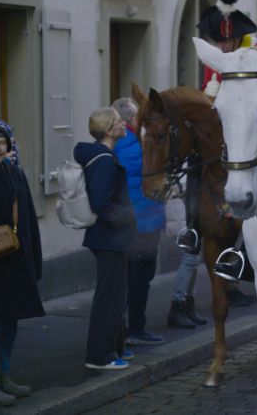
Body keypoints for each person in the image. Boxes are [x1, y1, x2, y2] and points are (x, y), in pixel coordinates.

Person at [194, 0, 256, 307]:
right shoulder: (212, 63)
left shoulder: (251, 57)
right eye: (220, 41)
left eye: (228, 41)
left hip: (245, 138)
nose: (224, 45)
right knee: (194, 167)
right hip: (218, 136)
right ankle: (192, 231)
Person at [76, 108, 136, 370]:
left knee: (115, 295)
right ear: (110, 130)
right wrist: (126, 215)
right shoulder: (103, 159)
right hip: (108, 237)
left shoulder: (102, 155)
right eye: (119, 122)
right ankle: (100, 356)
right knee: (109, 297)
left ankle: (115, 348)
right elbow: (100, 203)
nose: (124, 124)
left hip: (109, 237)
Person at [0, 125, 43, 405]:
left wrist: (33, 259)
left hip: (13, 257)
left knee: (10, 321)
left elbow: (26, 218)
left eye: (2, 142)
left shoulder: (12, 172)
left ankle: (4, 375)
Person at [111, 98, 166, 345]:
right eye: (135, 117)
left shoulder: (122, 143)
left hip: (140, 220)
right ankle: (135, 329)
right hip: (143, 221)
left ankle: (128, 328)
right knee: (139, 280)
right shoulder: (133, 146)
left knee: (133, 279)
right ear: (127, 121)